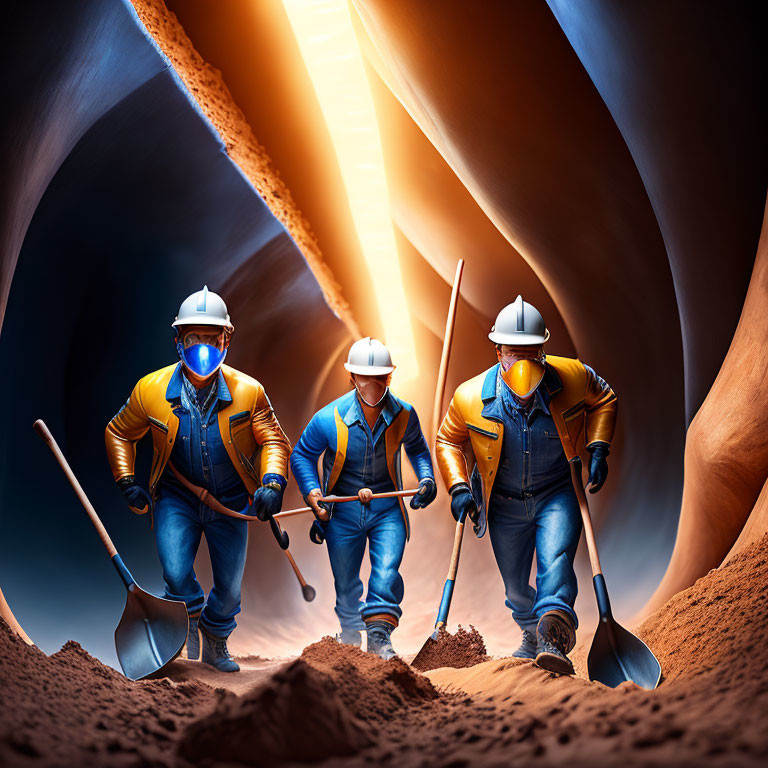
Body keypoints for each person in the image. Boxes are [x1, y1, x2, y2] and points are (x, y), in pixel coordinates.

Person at [105, 286, 291, 672]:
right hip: (177, 497)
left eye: (213, 338)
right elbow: (119, 432)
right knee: (174, 571)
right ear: (178, 342)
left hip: (232, 500)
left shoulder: (249, 392)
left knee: (230, 586)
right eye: (194, 338)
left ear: (227, 341)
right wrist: (126, 480)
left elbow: (273, 439)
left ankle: (216, 636)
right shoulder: (151, 391)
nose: (203, 349)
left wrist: (272, 482)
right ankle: (186, 620)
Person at [435, 296, 617, 674]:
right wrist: (457, 487)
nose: (521, 363)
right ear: (497, 350)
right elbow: (448, 440)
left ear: (543, 351)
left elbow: (603, 398)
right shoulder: (470, 398)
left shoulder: (573, 377)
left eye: (531, 353)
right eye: (511, 353)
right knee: (516, 589)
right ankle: (531, 632)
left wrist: (599, 447)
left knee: (555, 563)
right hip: (504, 504)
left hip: (557, 495)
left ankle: (554, 636)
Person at [290, 337, 436, 659]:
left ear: (389, 378)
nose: (373, 385)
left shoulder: (404, 416)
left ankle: (379, 634)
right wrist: (314, 493)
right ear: (352, 377)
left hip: (386, 507)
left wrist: (427, 478)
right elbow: (301, 455)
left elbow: (418, 449)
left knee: (386, 570)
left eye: (381, 378)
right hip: (342, 510)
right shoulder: (329, 418)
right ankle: (350, 632)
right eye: (366, 378)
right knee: (345, 582)